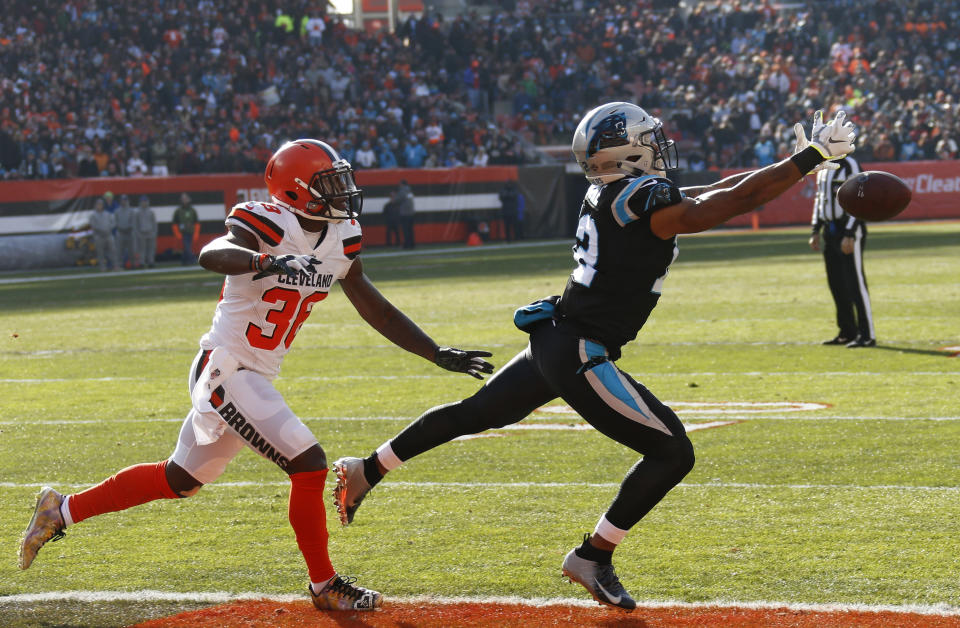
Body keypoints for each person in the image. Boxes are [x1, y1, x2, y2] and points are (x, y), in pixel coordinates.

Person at [330, 103, 857, 611]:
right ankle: (592, 554)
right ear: (624, 151)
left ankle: (368, 468)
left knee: (479, 413)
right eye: (648, 139)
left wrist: (795, 162)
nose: (659, 146)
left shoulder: (616, 190)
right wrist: (808, 159)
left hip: (557, 336)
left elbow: (712, 192)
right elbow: (721, 206)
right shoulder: (637, 195)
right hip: (580, 348)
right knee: (673, 453)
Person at [17, 138, 494, 612]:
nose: (344, 190)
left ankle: (60, 509)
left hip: (252, 375)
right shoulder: (265, 220)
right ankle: (324, 585)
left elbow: (378, 310)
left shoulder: (342, 236)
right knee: (308, 464)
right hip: (225, 367)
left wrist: (435, 352)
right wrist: (264, 260)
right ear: (295, 190)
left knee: (181, 478)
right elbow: (212, 253)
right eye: (330, 183)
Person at [804, 113, 874, 348]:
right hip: (829, 230)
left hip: (847, 229)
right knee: (836, 284)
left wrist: (850, 233)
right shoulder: (823, 166)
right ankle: (847, 331)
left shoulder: (850, 165)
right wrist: (815, 229)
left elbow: (861, 199)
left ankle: (867, 334)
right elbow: (820, 199)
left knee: (855, 283)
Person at [88, 197, 119, 272]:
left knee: (112, 251)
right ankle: (103, 267)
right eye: (98, 204)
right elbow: (93, 225)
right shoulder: (93, 215)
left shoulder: (107, 214)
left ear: (103, 205)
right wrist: (101, 230)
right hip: (99, 236)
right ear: (96, 205)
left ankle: (115, 266)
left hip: (108, 235)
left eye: (101, 204)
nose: (99, 206)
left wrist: (109, 228)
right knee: (100, 253)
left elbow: (114, 222)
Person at [172, 193, 199, 265]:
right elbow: (174, 223)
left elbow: (196, 222)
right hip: (182, 233)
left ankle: (184, 261)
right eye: (183, 199)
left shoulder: (192, 210)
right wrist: (177, 233)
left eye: (186, 198)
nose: (184, 200)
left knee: (187, 247)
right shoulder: (178, 211)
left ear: (189, 199)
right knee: (187, 246)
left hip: (191, 232)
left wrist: (196, 233)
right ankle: (193, 258)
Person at [135, 195, 158, 268]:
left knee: (151, 249)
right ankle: (141, 263)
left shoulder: (151, 212)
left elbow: (154, 223)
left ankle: (151, 262)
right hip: (142, 233)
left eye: (145, 201)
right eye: (142, 202)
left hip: (150, 233)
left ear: (147, 202)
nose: (144, 203)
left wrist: (154, 232)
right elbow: (136, 224)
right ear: (140, 203)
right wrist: (138, 233)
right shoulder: (137, 212)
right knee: (142, 250)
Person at [114, 194, 136, 269]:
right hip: (120, 233)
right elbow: (115, 221)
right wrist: (120, 228)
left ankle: (133, 264)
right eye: (122, 200)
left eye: (125, 200)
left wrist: (129, 227)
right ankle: (119, 265)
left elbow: (133, 221)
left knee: (131, 250)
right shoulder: (117, 211)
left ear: (127, 201)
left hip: (129, 232)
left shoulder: (131, 210)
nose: (123, 202)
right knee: (119, 251)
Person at [396, 179, 416, 249]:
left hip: (404, 213)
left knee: (405, 230)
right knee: (410, 230)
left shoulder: (402, 191)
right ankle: (412, 244)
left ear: (402, 184)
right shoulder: (410, 191)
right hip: (411, 213)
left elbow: (397, 200)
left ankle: (407, 245)